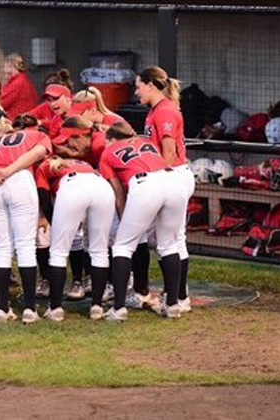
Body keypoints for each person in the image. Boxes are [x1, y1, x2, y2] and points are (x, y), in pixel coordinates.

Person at [99, 122, 187, 321]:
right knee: (169, 245)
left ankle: (118, 309)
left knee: (122, 246)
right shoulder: (147, 143)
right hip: (174, 181)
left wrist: (125, 221)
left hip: (145, 184)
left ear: (112, 139)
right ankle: (172, 305)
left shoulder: (107, 152)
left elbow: (119, 196)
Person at [36, 118, 115, 322]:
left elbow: (44, 199)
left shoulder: (45, 165)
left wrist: (58, 223)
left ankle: (55, 309)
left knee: (58, 251)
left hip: (72, 187)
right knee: (99, 250)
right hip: (100, 185)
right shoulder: (84, 162)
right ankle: (97, 306)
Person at [0, 114, 52, 323]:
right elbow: (38, 153)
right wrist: (9, 171)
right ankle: (29, 308)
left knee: (2, 246)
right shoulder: (34, 134)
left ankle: (2, 308)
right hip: (18, 178)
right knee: (25, 245)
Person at [135, 66, 193, 314]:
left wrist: (159, 181)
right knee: (169, 238)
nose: (137, 92)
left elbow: (168, 152)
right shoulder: (158, 109)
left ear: (150, 85)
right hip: (171, 176)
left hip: (173, 175)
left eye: (139, 87)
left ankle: (179, 297)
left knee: (173, 239)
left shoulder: (165, 110)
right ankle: (178, 296)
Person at [2, 53, 38, 121]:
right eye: (6, 67)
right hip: (26, 119)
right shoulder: (24, 80)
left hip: (16, 121)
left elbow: (2, 103)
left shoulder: (16, 83)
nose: (6, 70)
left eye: (9, 67)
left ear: (17, 68)